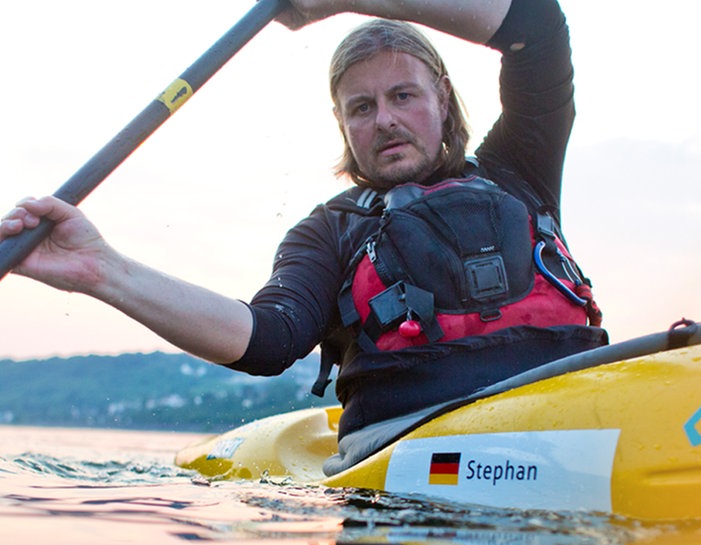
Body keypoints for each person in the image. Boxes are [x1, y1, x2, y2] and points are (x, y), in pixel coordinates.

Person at [0, 0, 606, 469]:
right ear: (341, 122)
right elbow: (265, 339)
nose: (385, 119)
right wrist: (103, 270)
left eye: (402, 95)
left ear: (442, 99)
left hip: (570, 406)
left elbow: (537, 27)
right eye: (361, 106)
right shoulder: (330, 230)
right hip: (415, 443)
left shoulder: (520, 165)